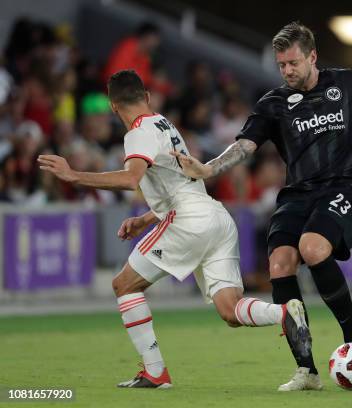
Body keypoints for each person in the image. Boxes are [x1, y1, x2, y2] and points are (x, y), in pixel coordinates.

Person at [171, 21, 352, 391]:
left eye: (293, 62)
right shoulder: (273, 104)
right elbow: (245, 146)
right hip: (298, 193)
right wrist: (209, 168)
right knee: (279, 263)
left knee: (312, 247)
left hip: (346, 186)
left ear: (312, 57)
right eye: (282, 65)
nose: (287, 71)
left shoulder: (348, 83)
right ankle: (306, 370)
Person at [38, 69, 311, 389]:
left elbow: (130, 179)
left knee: (124, 285)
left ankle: (154, 371)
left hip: (188, 221)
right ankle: (284, 314)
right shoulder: (164, 124)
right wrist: (144, 220)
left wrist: (74, 176)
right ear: (147, 97)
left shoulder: (137, 133)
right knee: (231, 311)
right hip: (216, 218)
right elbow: (176, 186)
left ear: (113, 107)